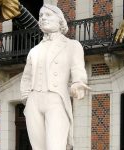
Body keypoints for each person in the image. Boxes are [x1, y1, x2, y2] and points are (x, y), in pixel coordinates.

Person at [20, 4, 90, 150]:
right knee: (38, 147)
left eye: (48, 14)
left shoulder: (72, 45)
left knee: (55, 146)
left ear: (60, 20)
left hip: (56, 100)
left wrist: (78, 83)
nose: (43, 17)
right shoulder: (34, 50)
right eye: (41, 16)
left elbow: (78, 69)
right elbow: (26, 78)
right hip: (34, 101)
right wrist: (27, 99)